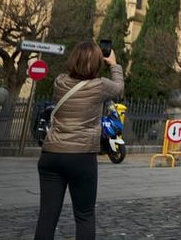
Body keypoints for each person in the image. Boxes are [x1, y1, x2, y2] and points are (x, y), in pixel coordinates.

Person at [34, 40, 124, 240]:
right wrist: (114, 65)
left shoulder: (59, 81)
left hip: (51, 154)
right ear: (97, 63)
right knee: (84, 215)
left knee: (47, 215)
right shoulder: (100, 86)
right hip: (81, 156)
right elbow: (119, 88)